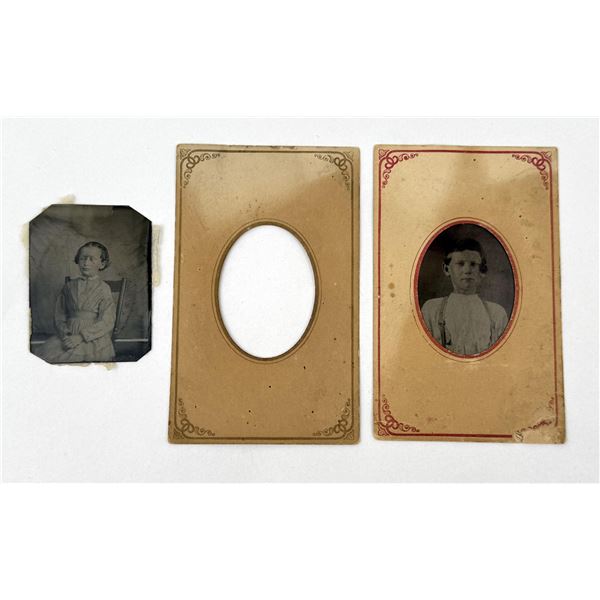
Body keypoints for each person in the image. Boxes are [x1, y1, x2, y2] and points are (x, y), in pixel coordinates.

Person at [420, 238, 508, 355]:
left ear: (482, 270)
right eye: (460, 264)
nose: (467, 270)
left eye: (473, 264)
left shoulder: (496, 314)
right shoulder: (431, 310)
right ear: (446, 269)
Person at [34, 241, 116, 363]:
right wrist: (65, 334)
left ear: (102, 264)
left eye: (92, 259)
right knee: (46, 357)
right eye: (83, 258)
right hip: (68, 334)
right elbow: (59, 315)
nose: (86, 263)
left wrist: (81, 337)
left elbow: (107, 321)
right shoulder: (69, 286)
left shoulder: (104, 289)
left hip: (93, 338)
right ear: (78, 260)